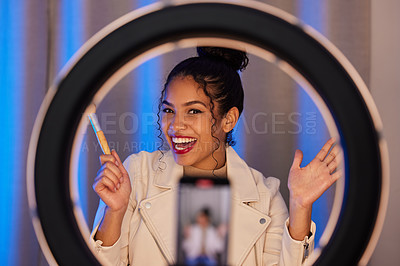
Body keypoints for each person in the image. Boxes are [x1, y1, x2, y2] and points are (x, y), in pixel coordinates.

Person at [90, 47, 342, 265]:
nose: (175, 126)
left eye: (194, 111)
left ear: (228, 119)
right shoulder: (136, 174)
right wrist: (115, 211)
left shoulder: (265, 196)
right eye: (169, 110)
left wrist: (300, 207)